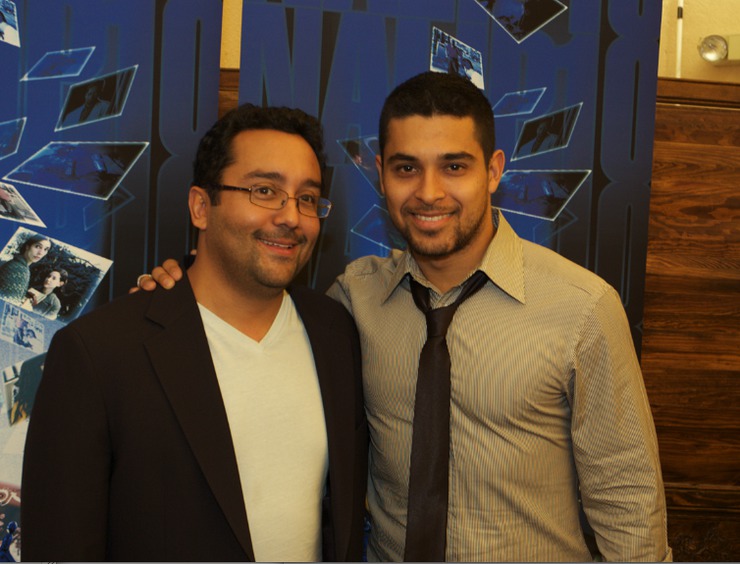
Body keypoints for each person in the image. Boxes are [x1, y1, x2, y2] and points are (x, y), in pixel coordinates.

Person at [141, 71, 671, 561]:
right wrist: (177, 288)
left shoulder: (582, 308)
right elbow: (242, 303)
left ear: (494, 171)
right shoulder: (352, 301)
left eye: (455, 166)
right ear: (381, 174)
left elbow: (627, 503)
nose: (429, 192)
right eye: (406, 168)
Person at [21, 104, 368, 561]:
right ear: (201, 207)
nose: (291, 216)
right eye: (265, 190)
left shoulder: (334, 331)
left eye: (307, 198)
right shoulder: (100, 353)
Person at [0, 234, 52, 305]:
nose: (41, 253)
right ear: (27, 246)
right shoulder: (20, 269)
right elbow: (9, 303)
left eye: (45, 249)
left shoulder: (19, 264)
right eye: (37, 246)